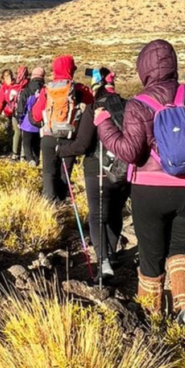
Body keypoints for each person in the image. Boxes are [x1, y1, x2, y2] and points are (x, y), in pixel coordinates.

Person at [95, 39, 185, 323]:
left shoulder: (139, 104)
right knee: (183, 247)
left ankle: (151, 318)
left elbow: (130, 152)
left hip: (151, 189)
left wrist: (104, 124)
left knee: (151, 253)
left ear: (144, 69)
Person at [57, 69, 131, 281]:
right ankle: (113, 254)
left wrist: (61, 150)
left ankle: (104, 262)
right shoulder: (129, 105)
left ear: (95, 87)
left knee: (98, 215)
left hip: (97, 170)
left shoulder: (94, 108)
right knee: (116, 211)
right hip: (124, 169)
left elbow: (82, 144)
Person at [30, 55, 94, 201]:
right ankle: (62, 207)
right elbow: (93, 104)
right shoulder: (79, 90)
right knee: (64, 176)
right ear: (71, 70)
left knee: (48, 174)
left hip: (48, 137)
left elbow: (36, 115)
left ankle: (49, 211)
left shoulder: (47, 90)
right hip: (69, 139)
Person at [0, 66, 29, 158]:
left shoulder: (14, 86)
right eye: (6, 76)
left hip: (15, 111)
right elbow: (1, 101)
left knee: (16, 131)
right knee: (17, 131)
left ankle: (16, 153)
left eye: (8, 76)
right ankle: (19, 152)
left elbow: (1, 101)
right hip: (14, 111)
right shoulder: (11, 86)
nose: (8, 78)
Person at [15, 67, 45, 164]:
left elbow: (21, 106)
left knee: (27, 144)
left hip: (27, 123)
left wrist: (19, 120)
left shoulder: (27, 90)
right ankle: (36, 161)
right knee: (36, 145)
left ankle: (30, 161)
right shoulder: (45, 90)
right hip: (40, 123)